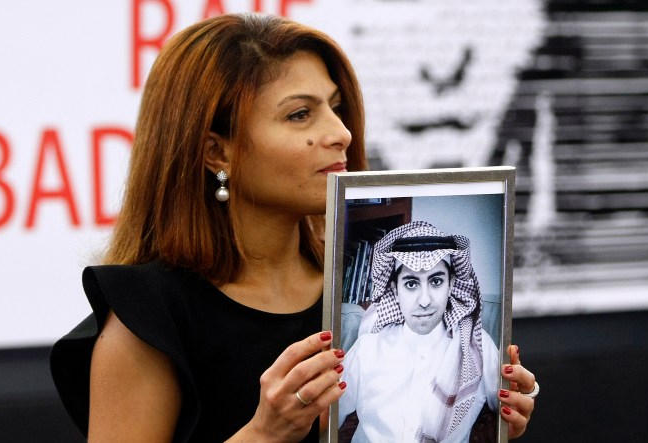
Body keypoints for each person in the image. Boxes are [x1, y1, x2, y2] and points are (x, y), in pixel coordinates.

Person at [49, 12, 536, 442]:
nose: (341, 133)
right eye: (300, 114)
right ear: (216, 151)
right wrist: (265, 434)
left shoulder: (352, 298)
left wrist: (480, 423)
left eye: (335, 107)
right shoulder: (149, 314)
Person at [339, 220, 536, 442]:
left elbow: (512, 405)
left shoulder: (478, 349)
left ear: (451, 284)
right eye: (411, 284)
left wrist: (525, 396)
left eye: (436, 281)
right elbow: (328, 417)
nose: (425, 300)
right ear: (395, 289)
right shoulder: (368, 348)